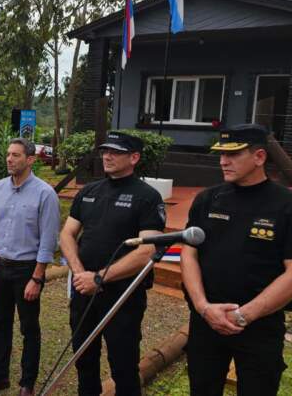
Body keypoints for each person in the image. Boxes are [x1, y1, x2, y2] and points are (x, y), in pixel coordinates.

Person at [181, 125, 292, 396]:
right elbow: (189, 253)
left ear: (259, 157)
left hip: (260, 326)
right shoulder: (207, 199)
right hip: (206, 322)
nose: (223, 161)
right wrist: (203, 307)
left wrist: (244, 316)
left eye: (233, 155)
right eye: (220, 154)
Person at [59, 131, 165, 396]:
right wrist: (80, 274)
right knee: (84, 359)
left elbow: (148, 250)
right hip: (84, 291)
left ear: (134, 158)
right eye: (105, 151)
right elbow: (67, 234)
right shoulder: (90, 191)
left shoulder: (148, 197)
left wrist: (100, 278)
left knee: (123, 365)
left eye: (115, 152)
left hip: (123, 296)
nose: (107, 156)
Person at [0, 138, 61, 396]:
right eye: (8, 154)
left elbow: (48, 240)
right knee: (1, 323)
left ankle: (27, 383)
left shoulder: (45, 193)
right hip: (0, 267)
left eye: (15, 155)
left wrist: (37, 278)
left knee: (29, 327)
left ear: (30, 160)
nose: (9, 159)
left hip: (26, 270)